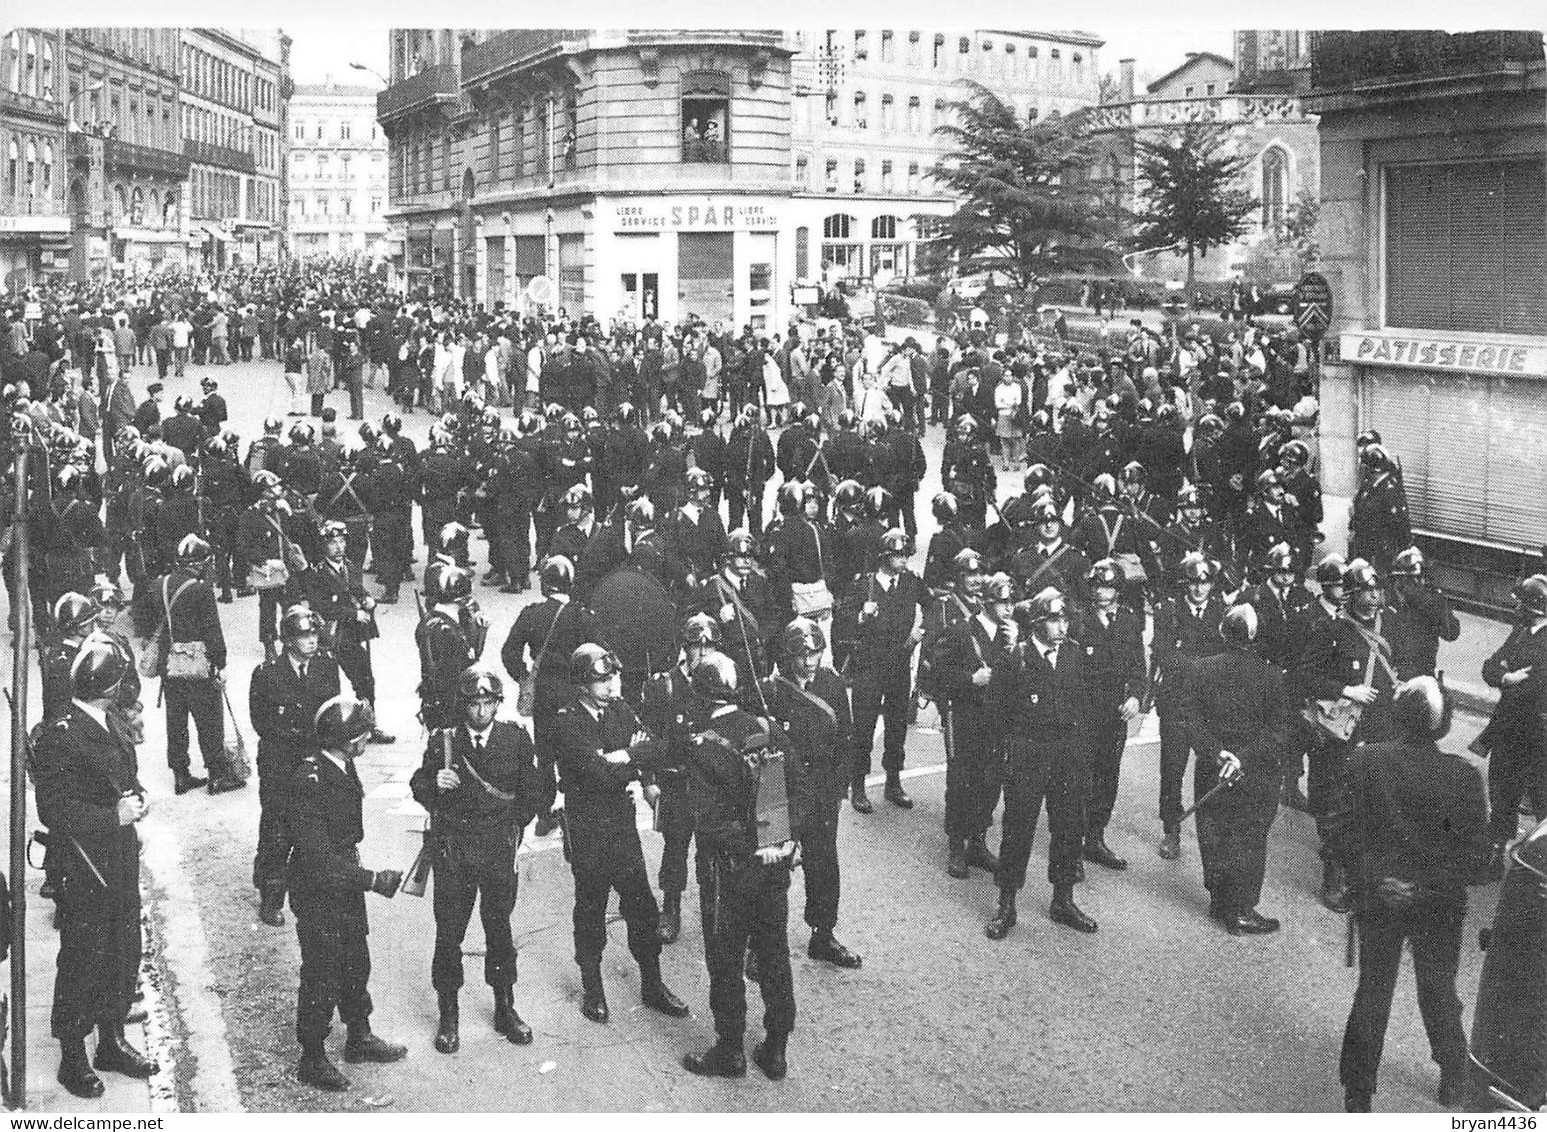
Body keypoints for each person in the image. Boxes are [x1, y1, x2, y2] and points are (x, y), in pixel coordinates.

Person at [1325, 676, 1490, 1111]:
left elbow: (1339, 832)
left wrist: (1377, 878)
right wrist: (1425, 887)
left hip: (1379, 896)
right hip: (1438, 904)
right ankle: (1454, 1075)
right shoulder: (1464, 777)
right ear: (1444, 726)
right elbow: (1474, 859)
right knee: (1438, 989)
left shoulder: (1367, 762)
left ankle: (1358, 1091)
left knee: (1374, 989)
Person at [32, 636, 157, 1099]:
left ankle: (111, 1041)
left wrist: (138, 797)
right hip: (83, 867)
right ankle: (72, 1057)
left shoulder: (109, 722)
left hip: (119, 859)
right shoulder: (61, 734)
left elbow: (124, 775)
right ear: (110, 687)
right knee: (84, 958)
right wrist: (113, 816)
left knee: (124, 949)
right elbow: (55, 811)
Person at [681, 653, 806, 1080]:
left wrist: (752, 846)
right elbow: (799, 793)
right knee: (774, 955)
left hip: (728, 870)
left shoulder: (704, 745)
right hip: (774, 865)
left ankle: (730, 1050)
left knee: (726, 959)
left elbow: (710, 823)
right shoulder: (767, 730)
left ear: (700, 695)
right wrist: (783, 841)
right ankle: (776, 1048)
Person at [552, 644, 690, 1024]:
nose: (613, 684)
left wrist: (622, 757)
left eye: (613, 676)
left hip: (620, 823)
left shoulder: (620, 709)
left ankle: (652, 983)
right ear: (582, 684)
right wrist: (625, 757)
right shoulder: (567, 722)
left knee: (642, 908)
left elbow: (656, 749)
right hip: (587, 827)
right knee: (591, 908)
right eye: (603, 679)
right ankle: (593, 988)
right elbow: (599, 773)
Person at [409, 667, 542, 1053]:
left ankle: (505, 1007)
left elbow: (532, 790)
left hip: (498, 848)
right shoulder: (445, 742)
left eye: (489, 703)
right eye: (474, 704)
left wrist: (513, 827)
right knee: (449, 931)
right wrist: (434, 785)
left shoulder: (515, 739)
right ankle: (448, 1014)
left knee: (499, 927)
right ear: (462, 706)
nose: (481, 712)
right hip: (456, 849)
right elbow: (419, 782)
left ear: (498, 704)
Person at [285, 696, 407, 1092]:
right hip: (320, 886)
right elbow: (318, 860)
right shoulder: (309, 781)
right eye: (361, 734)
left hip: (343, 877)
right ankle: (313, 1056)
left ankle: (359, 1035)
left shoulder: (340, 764)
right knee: (322, 971)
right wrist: (372, 880)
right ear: (344, 739)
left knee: (356, 959)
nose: (366, 739)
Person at [986, 587, 1100, 938]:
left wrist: (1082, 755)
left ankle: (1062, 899)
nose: (1062, 627)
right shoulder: (1014, 660)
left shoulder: (1075, 656)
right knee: (1018, 828)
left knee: (1068, 827)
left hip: (1067, 756)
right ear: (1036, 623)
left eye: (1065, 619)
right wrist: (1006, 758)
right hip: (1028, 755)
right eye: (1054, 620)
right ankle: (1007, 903)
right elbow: (997, 715)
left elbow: (1085, 706)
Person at [1182, 605, 1292, 933]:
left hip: (1212, 768)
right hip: (1255, 772)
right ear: (1255, 637)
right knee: (1249, 836)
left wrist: (1217, 754)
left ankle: (1219, 899)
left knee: (1213, 831)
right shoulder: (1271, 676)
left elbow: (1190, 719)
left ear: (1222, 632)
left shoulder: (1200, 669)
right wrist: (1242, 758)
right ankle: (1241, 908)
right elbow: (1278, 730)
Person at [764, 616, 860, 968]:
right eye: (801, 655)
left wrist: (837, 788)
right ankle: (762, 941)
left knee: (823, 864)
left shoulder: (832, 686)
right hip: (778, 789)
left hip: (820, 788)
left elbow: (845, 739)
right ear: (788, 657)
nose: (808, 661)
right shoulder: (772, 690)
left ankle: (823, 934)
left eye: (815, 653)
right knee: (770, 870)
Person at [249, 604, 342, 928]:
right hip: (281, 763)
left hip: (315, 759)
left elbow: (332, 712)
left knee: (320, 827)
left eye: (314, 633)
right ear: (288, 640)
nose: (312, 641)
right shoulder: (267, 673)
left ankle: (320, 889)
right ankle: (271, 897)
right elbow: (261, 722)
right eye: (304, 635)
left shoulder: (327, 667)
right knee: (277, 831)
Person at [638, 612, 722, 945]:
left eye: (709, 648)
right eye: (695, 648)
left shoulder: (722, 682)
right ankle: (670, 909)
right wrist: (648, 781)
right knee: (675, 849)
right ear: (684, 648)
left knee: (711, 851)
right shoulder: (665, 686)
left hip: (710, 783)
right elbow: (647, 735)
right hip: (675, 782)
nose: (701, 655)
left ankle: (712, 909)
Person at [501, 555, 598, 832]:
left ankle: (544, 814)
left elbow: (509, 652)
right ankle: (577, 809)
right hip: (573, 695)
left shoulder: (531, 614)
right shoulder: (581, 616)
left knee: (544, 755)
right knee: (576, 750)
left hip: (543, 693)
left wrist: (523, 676)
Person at [149, 534, 243, 796]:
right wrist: (220, 662)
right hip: (198, 664)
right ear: (201, 563)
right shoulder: (200, 590)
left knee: (175, 721)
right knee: (209, 720)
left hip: (171, 663)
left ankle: (180, 775)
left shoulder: (159, 585)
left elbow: (146, 620)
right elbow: (212, 630)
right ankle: (217, 775)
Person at [1152, 552, 1228, 861]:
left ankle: (1209, 831)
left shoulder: (1223, 613)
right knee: (1172, 769)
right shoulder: (1169, 612)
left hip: (1209, 707)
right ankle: (1172, 828)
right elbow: (1163, 654)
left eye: (1205, 583)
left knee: (1210, 767)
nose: (1199, 589)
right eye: (1194, 583)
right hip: (1176, 701)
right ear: (1185, 585)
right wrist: (1201, 667)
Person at [1072, 559, 1147, 872]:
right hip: (1084, 711)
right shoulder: (1078, 621)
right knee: (1079, 779)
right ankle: (1072, 844)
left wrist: (1135, 697)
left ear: (1119, 590)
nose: (1102, 593)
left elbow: (1138, 666)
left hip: (1115, 713)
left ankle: (1095, 838)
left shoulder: (1129, 620)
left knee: (1107, 778)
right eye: (1098, 586)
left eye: (1109, 587)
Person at [847, 528, 927, 811]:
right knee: (864, 726)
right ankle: (858, 784)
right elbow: (841, 624)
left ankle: (893, 780)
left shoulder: (911, 583)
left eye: (906, 554)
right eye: (897, 555)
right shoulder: (863, 585)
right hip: (869, 665)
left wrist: (920, 632)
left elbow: (933, 608)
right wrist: (860, 615)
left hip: (899, 664)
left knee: (897, 726)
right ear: (884, 557)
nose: (904, 559)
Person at [1474, 574, 1547, 877]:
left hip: (1537, 735)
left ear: (1535, 607)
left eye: (1522, 604)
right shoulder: (1520, 631)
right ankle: (1493, 858)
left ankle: (1538, 865)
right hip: (1508, 731)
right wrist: (1506, 677)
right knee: (1502, 793)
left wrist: (1508, 677)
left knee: (1542, 797)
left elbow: (1535, 686)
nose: (1516, 608)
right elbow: (1489, 666)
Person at [416, 562, 486, 732]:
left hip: (435, 701)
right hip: (450, 708)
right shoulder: (447, 631)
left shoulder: (431, 622)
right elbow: (464, 666)